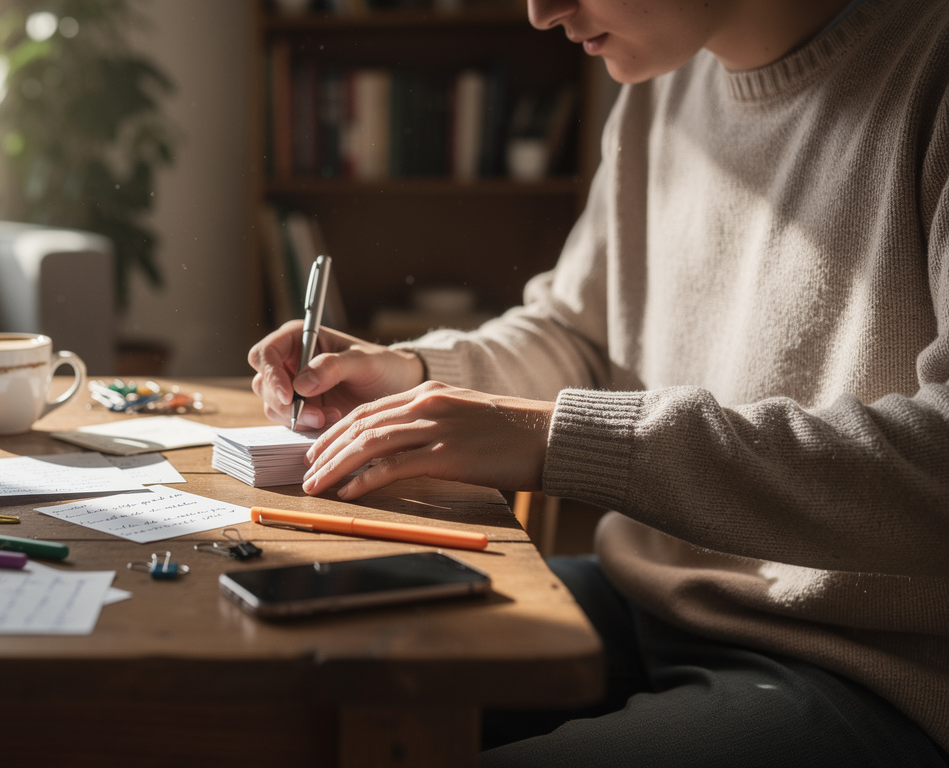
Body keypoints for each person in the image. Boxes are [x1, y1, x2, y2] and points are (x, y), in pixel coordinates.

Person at [247, 0, 949, 764]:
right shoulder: (665, 86)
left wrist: (558, 440)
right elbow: (578, 333)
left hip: (861, 666)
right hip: (643, 601)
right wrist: (411, 374)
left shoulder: (929, 72)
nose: (541, 11)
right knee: (278, 698)